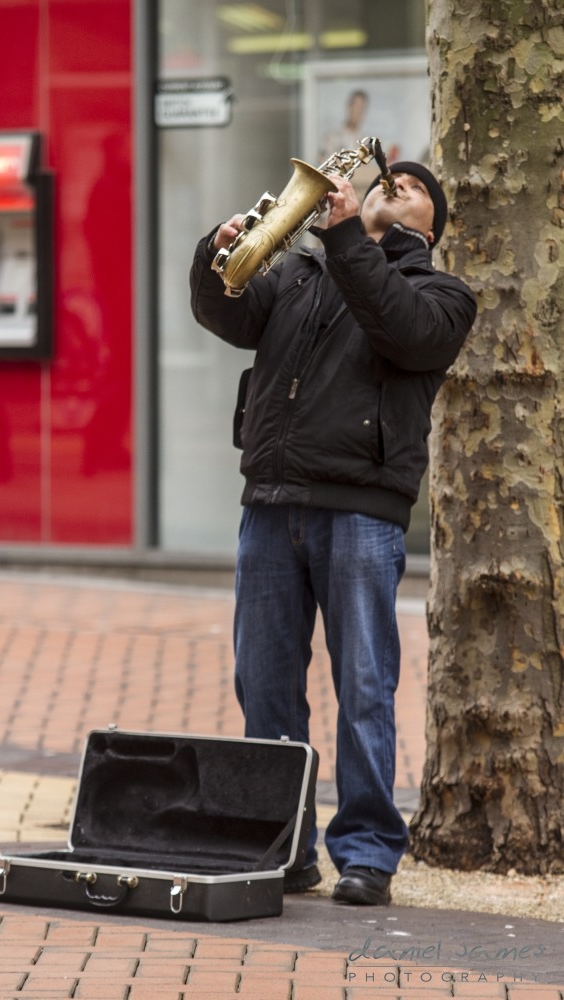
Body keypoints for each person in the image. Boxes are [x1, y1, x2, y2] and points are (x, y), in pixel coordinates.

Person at [189, 160, 477, 906]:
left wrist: (348, 234)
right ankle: (281, 846)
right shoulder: (302, 274)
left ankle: (368, 851)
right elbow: (229, 315)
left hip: (361, 509)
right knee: (265, 684)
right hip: (271, 500)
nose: (394, 184)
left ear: (430, 227)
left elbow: (397, 327)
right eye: (391, 179)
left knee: (364, 687)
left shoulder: (440, 294)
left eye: (412, 188)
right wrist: (217, 256)